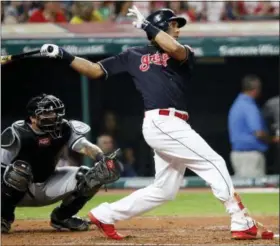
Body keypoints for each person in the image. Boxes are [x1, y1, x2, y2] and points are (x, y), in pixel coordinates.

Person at [39, 7, 274, 240]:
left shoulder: (183, 52)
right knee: (214, 162)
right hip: (162, 122)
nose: (178, 29)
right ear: (162, 27)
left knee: (164, 190)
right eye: (173, 24)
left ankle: (106, 214)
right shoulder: (132, 55)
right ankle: (240, 219)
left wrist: (146, 26)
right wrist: (64, 55)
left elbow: (175, 49)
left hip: (173, 124)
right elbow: (93, 70)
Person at [1, 94, 121, 233]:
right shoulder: (18, 133)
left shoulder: (64, 128)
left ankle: (63, 217)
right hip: (18, 190)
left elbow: (84, 146)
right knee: (19, 172)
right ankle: (3, 217)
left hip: (48, 183)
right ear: (33, 118)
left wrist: (102, 158)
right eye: (47, 113)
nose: (54, 116)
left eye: (54, 112)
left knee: (89, 175)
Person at [228, 75, 277, 178]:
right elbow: (258, 133)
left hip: (240, 155)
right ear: (256, 89)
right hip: (250, 156)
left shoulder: (238, 103)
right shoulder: (249, 106)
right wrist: (273, 139)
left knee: (245, 190)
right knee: (254, 189)